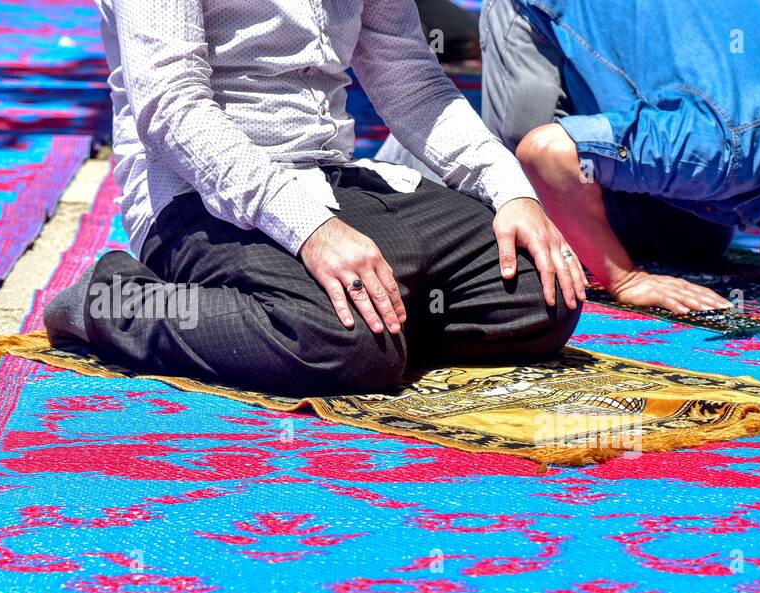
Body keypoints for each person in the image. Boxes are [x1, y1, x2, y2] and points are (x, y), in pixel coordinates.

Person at [43, 0, 586, 397]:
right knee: (344, 347)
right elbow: (171, 109)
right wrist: (311, 230)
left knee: (544, 291)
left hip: (333, 180)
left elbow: (412, 83)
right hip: (198, 198)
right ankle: (113, 302)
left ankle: (332, 316)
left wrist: (512, 191)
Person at [380, 0, 760, 314]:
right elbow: (547, 153)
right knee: (522, 196)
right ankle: (408, 158)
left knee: (694, 243)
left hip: (688, 63)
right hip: (546, 11)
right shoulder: (716, 150)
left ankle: (613, 139)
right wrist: (623, 278)